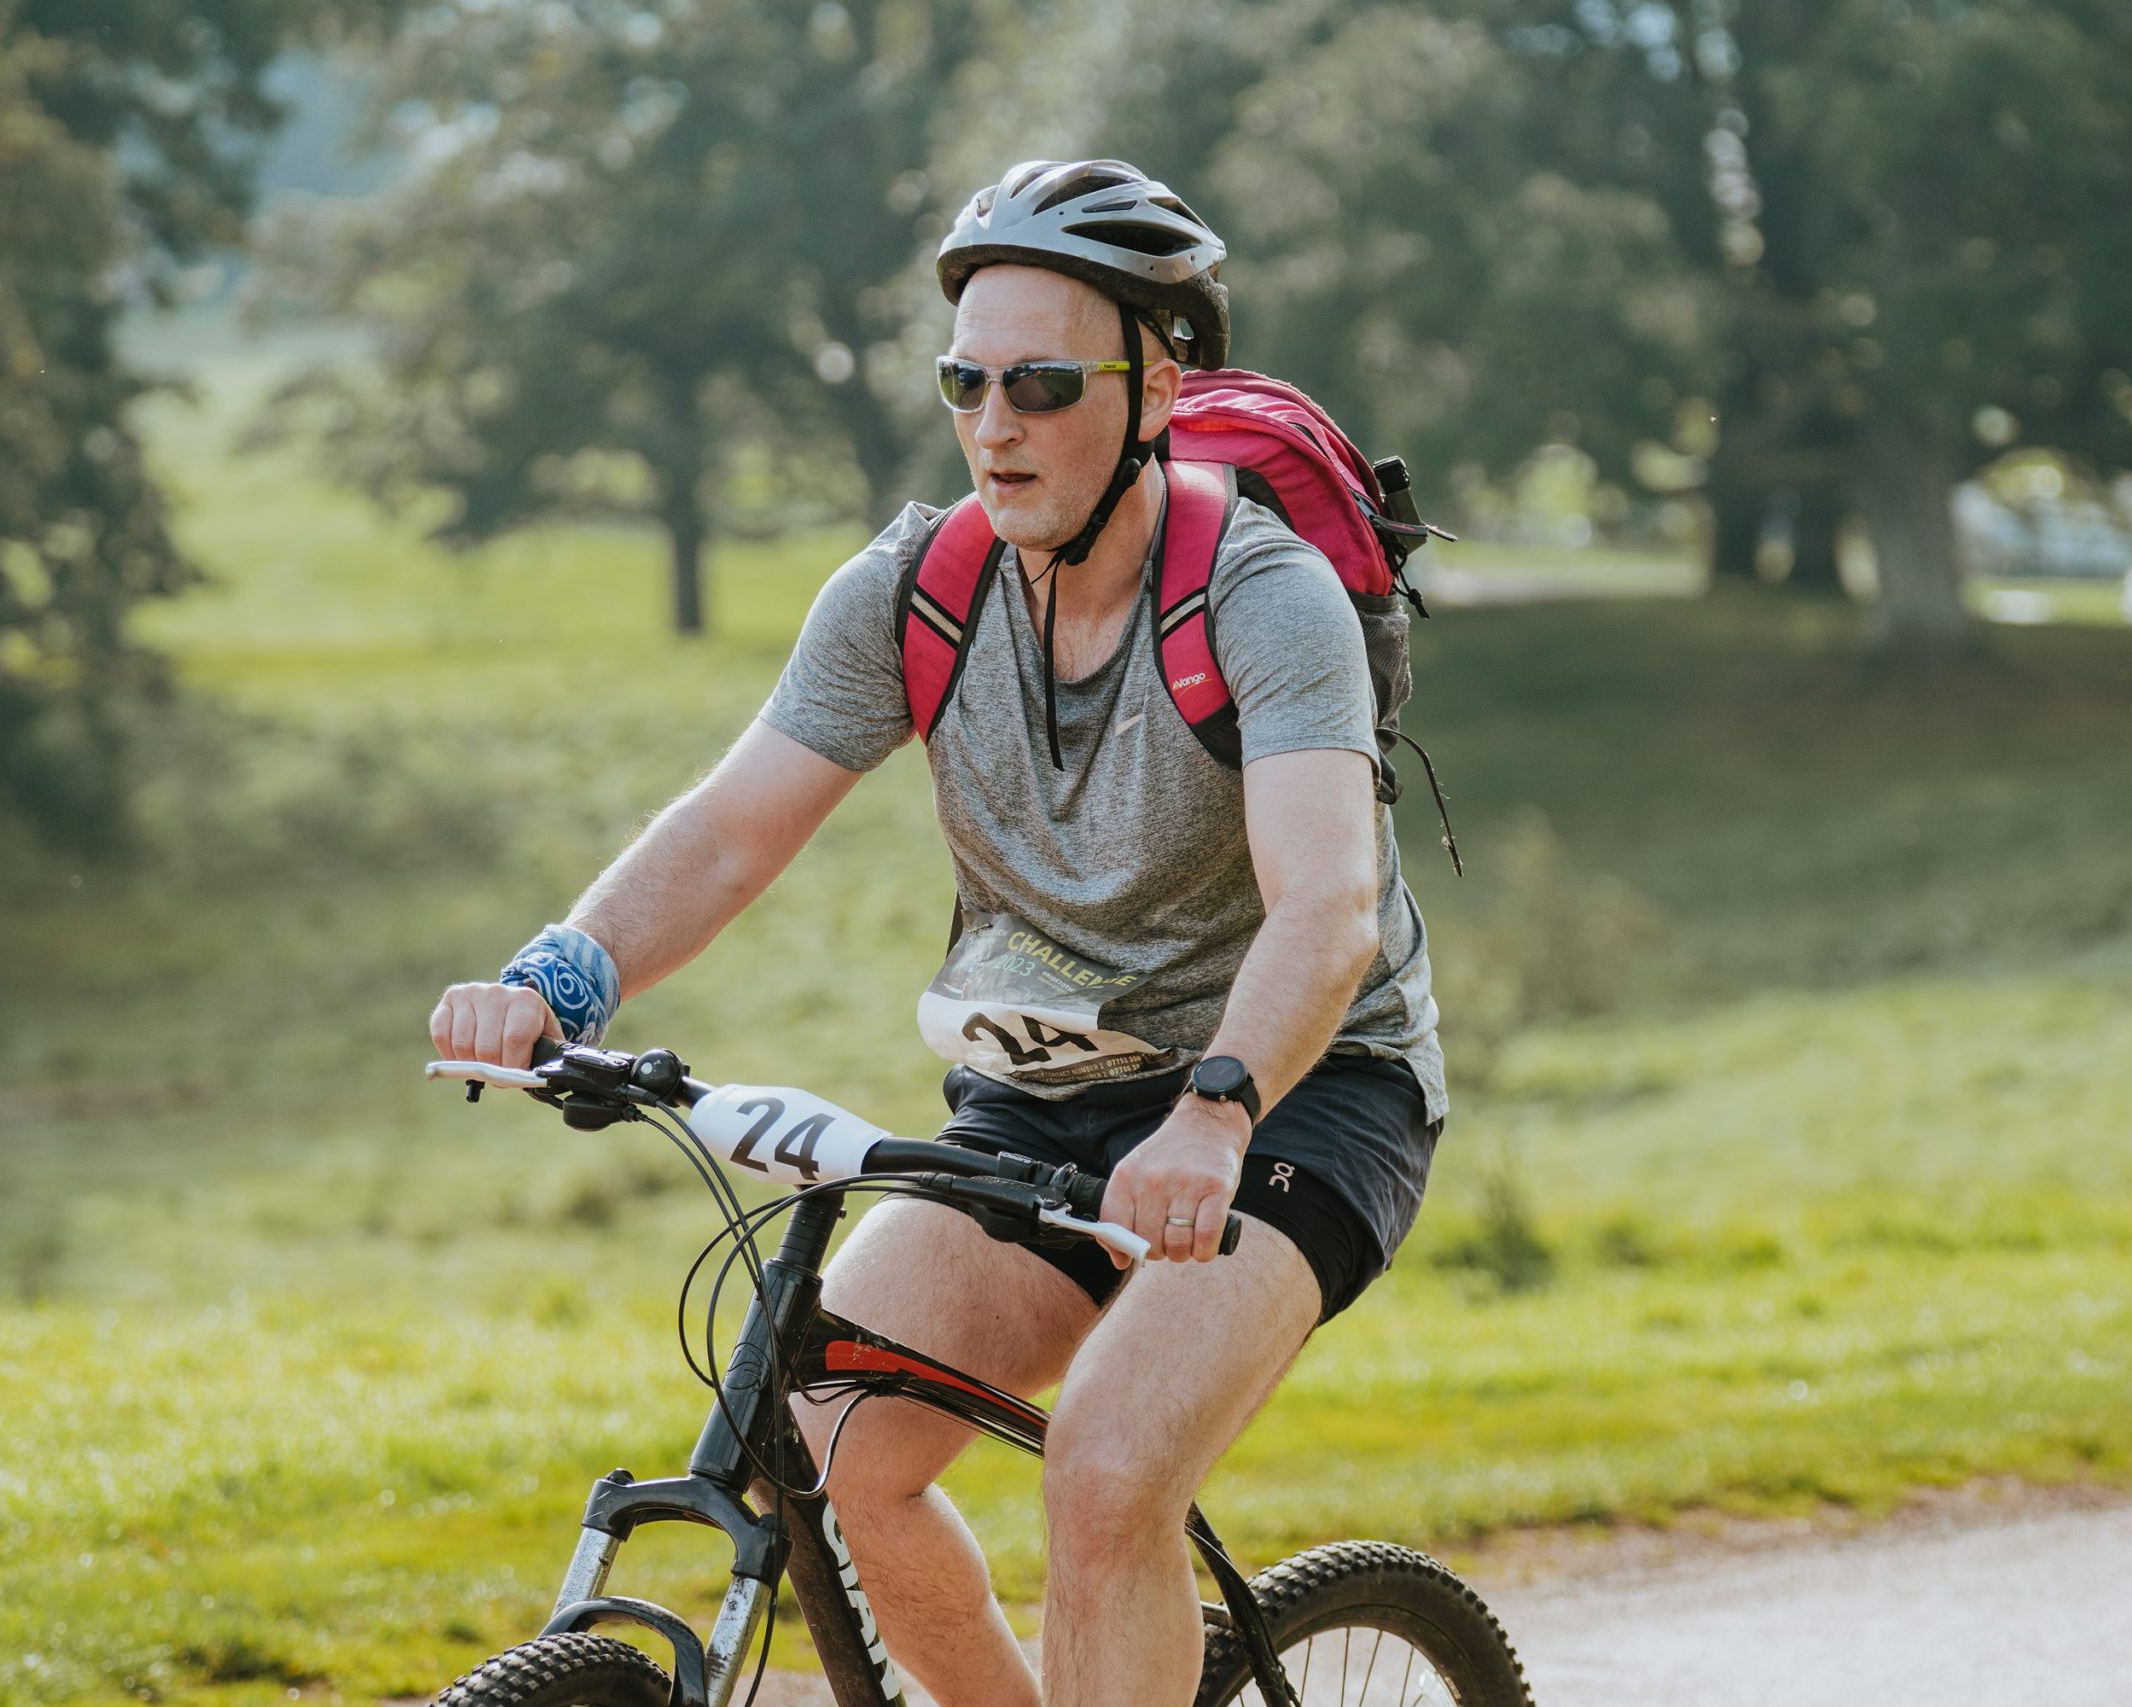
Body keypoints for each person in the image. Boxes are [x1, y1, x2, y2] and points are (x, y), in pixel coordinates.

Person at [428, 157, 1444, 1707]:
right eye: (965, 380)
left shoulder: (1264, 599)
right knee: (840, 1438)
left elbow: (1329, 905)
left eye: (1042, 383)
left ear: (1159, 387)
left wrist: (1214, 1113)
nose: (995, 423)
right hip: (1051, 1092)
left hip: (1292, 1095)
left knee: (1106, 1470)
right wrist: (557, 977)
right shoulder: (917, 591)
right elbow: (727, 831)